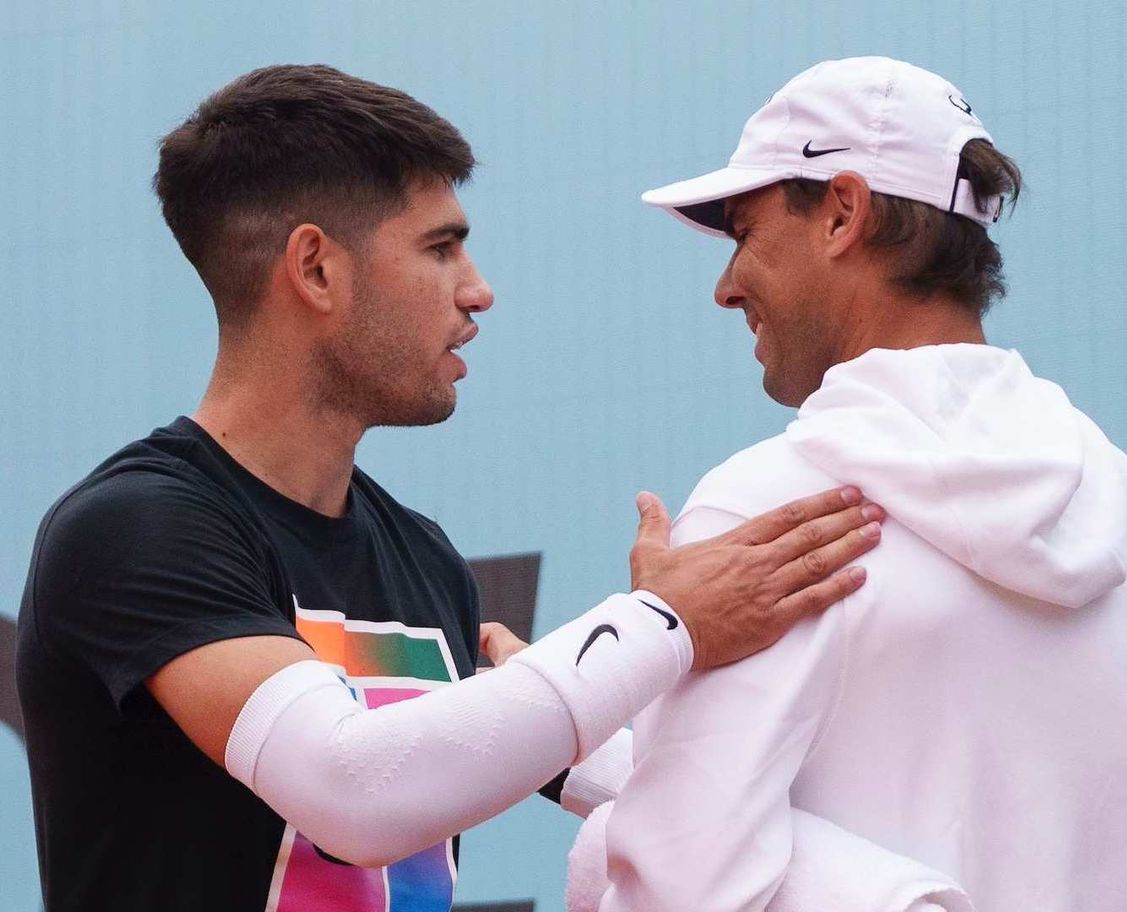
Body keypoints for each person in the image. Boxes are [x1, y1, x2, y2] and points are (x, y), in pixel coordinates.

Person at [14, 64, 883, 912]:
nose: (479, 290)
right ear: (315, 269)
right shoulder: (135, 528)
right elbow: (350, 786)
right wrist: (666, 626)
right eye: (440, 247)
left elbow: (449, 750)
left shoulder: (422, 555)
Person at [572, 56, 1127, 911]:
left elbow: (679, 888)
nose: (724, 287)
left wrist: (613, 815)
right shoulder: (1114, 490)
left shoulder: (766, 509)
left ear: (842, 213)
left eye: (744, 233)